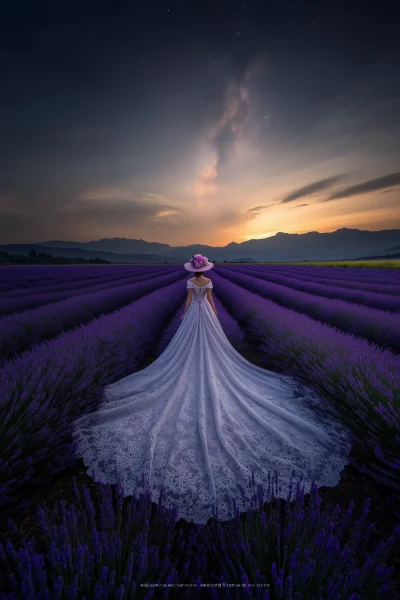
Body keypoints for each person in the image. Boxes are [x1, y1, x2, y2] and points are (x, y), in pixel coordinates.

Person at [72, 254, 350, 524]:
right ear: (204, 270)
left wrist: (183, 320)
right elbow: (213, 305)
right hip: (208, 318)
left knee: (186, 348)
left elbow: (189, 304)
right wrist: (216, 319)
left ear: (191, 272)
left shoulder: (192, 285)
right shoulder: (209, 283)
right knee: (214, 350)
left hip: (195, 317)